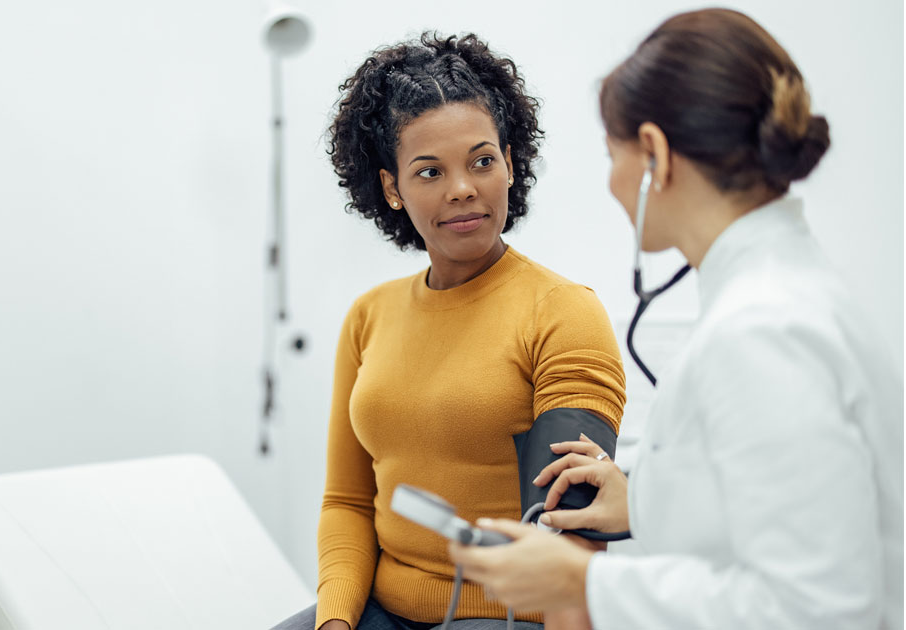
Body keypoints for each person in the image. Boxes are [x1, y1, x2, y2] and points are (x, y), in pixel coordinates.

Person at [448, 9, 904, 630]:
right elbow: (777, 515)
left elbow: (820, 610)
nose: (612, 183)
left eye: (614, 155)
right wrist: (648, 501)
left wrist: (584, 581)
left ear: (655, 154)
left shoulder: (763, 332)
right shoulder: (783, 296)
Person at [273, 33, 627, 630]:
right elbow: (348, 503)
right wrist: (334, 622)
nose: (462, 187)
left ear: (510, 165)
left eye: (482, 161)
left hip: (507, 616)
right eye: (430, 171)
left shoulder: (562, 313)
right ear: (391, 188)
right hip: (381, 611)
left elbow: (571, 536)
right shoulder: (369, 317)